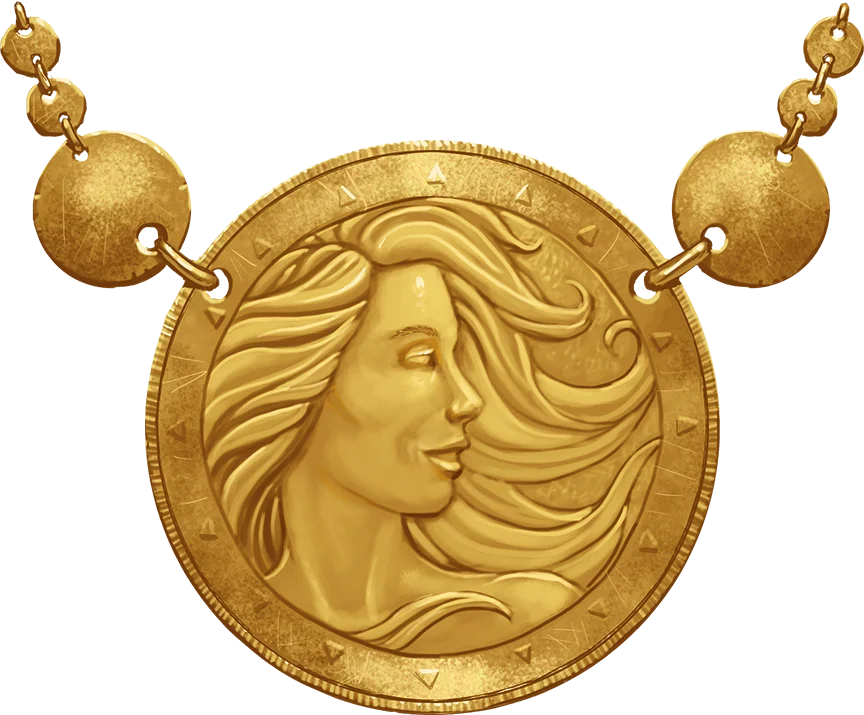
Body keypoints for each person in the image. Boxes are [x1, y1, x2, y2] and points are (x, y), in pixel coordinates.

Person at [203, 198, 659, 653]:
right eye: (421, 359)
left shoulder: (530, 614)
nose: (468, 400)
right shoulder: (230, 610)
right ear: (304, 382)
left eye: (456, 358)